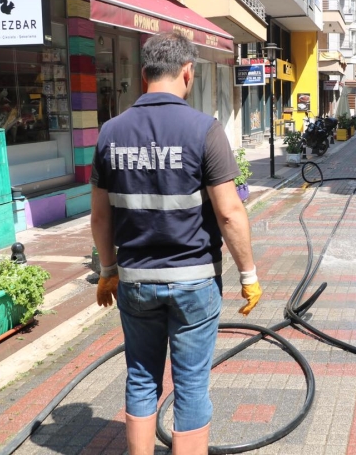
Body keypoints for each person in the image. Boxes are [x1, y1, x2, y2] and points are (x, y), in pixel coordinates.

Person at [90, 32, 262, 455]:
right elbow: (229, 213)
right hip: (195, 282)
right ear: (188, 72)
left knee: (142, 377)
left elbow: (99, 216)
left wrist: (108, 271)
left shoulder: (110, 132)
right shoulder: (204, 129)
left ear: (143, 74)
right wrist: (249, 275)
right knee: (190, 385)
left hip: (135, 282)